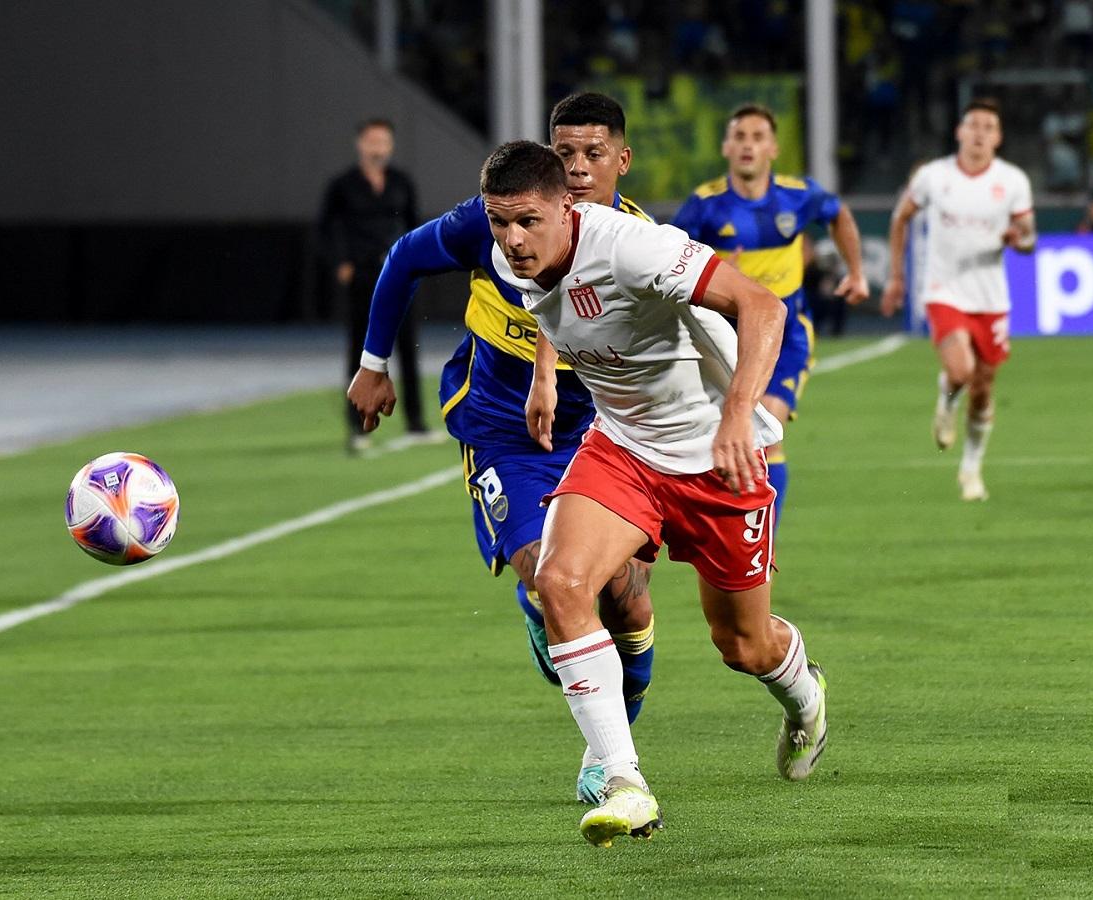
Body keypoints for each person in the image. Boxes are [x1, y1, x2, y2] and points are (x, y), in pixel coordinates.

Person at [481, 140, 829, 847]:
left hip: (715, 455)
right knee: (560, 581)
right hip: (624, 448)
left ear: (566, 208)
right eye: (499, 222)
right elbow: (556, 307)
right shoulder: (514, 255)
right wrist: (545, 376)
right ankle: (624, 781)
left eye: (526, 221)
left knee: (743, 646)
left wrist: (738, 416)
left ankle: (805, 700)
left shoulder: (633, 248)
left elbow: (763, 306)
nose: (512, 240)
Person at [346, 93, 657, 804]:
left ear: (621, 160)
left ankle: (605, 741)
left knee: (629, 604)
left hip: (603, 432)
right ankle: (613, 764)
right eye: (564, 152)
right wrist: (372, 363)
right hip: (499, 427)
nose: (577, 168)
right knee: (551, 579)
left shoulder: (639, 244)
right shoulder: (495, 222)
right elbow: (403, 259)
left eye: (592, 153)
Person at [672, 104, 868, 526]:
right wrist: (715, 272)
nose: (748, 145)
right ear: (726, 147)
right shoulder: (704, 206)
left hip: (787, 335)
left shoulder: (798, 195)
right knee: (720, 441)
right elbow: (670, 261)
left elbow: (838, 216)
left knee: (766, 428)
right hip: (722, 339)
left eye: (758, 137)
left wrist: (855, 272)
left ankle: (764, 542)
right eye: (740, 136)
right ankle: (728, 527)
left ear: (773, 149)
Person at [881, 98, 1036, 501]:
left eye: (989, 127)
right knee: (960, 369)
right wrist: (896, 276)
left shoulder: (1013, 181)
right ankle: (947, 398)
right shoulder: (934, 176)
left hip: (991, 298)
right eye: (974, 125)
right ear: (960, 132)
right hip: (944, 291)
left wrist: (1018, 239)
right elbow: (900, 217)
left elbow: (1029, 236)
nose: (980, 133)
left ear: (998, 138)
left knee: (983, 389)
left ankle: (971, 468)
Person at [318, 118, 428, 453]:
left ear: (390, 146)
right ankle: (358, 426)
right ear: (360, 144)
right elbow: (325, 228)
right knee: (359, 349)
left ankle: (416, 423)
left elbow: (415, 225)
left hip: (397, 274)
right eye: (372, 141)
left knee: (408, 348)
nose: (377, 148)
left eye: (383, 141)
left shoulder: (402, 182)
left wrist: (416, 263)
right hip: (362, 275)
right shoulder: (342, 185)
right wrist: (341, 263)